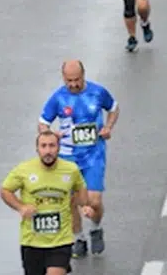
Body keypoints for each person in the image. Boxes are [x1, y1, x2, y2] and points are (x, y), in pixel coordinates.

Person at [38, 60, 118, 258]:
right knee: (71, 201)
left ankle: (96, 228)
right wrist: (51, 134)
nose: (73, 84)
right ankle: (78, 239)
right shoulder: (58, 97)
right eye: (69, 81)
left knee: (94, 201)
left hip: (93, 154)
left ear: (83, 75)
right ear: (63, 78)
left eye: (77, 80)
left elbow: (114, 108)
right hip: (68, 157)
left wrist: (108, 127)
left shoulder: (97, 92)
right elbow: (43, 123)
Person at [0, 130, 93, 275]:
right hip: (32, 241)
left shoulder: (71, 169)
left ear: (58, 148)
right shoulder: (24, 169)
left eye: (52, 146)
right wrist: (21, 207)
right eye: (43, 146)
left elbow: (80, 189)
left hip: (61, 240)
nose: (48, 151)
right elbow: (5, 190)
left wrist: (84, 206)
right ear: (37, 149)